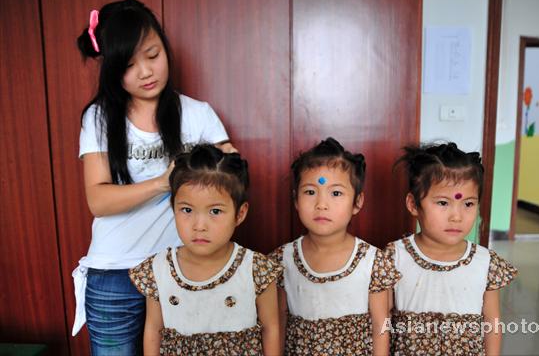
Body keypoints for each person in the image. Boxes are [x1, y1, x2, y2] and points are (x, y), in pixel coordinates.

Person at [73, 0, 236, 355]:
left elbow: (233, 175)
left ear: (165, 48)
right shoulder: (99, 119)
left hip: (184, 270)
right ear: (111, 69)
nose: (146, 72)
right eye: (129, 65)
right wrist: (165, 182)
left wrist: (219, 167)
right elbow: (98, 200)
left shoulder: (198, 114)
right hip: (115, 275)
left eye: (152, 55)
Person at [129, 144, 281, 355]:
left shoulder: (257, 268)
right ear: (173, 208)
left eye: (215, 211)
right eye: (187, 210)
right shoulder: (159, 269)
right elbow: (153, 329)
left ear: (240, 214)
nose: (199, 225)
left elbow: (271, 328)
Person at [269, 137, 401, 355]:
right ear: (295, 200)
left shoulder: (373, 262)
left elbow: (381, 325)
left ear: (357, 202)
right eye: (310, 192)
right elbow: (279, 320)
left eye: (336, 193)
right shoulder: (282, 260)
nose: (321, 204)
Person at [387, 142, 518, 355]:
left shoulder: (485, 262)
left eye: (468, 204)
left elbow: (492, 324)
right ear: (413, 205)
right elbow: (382, 319)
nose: (456, 216)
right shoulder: (395, 257)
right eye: (442, 203)